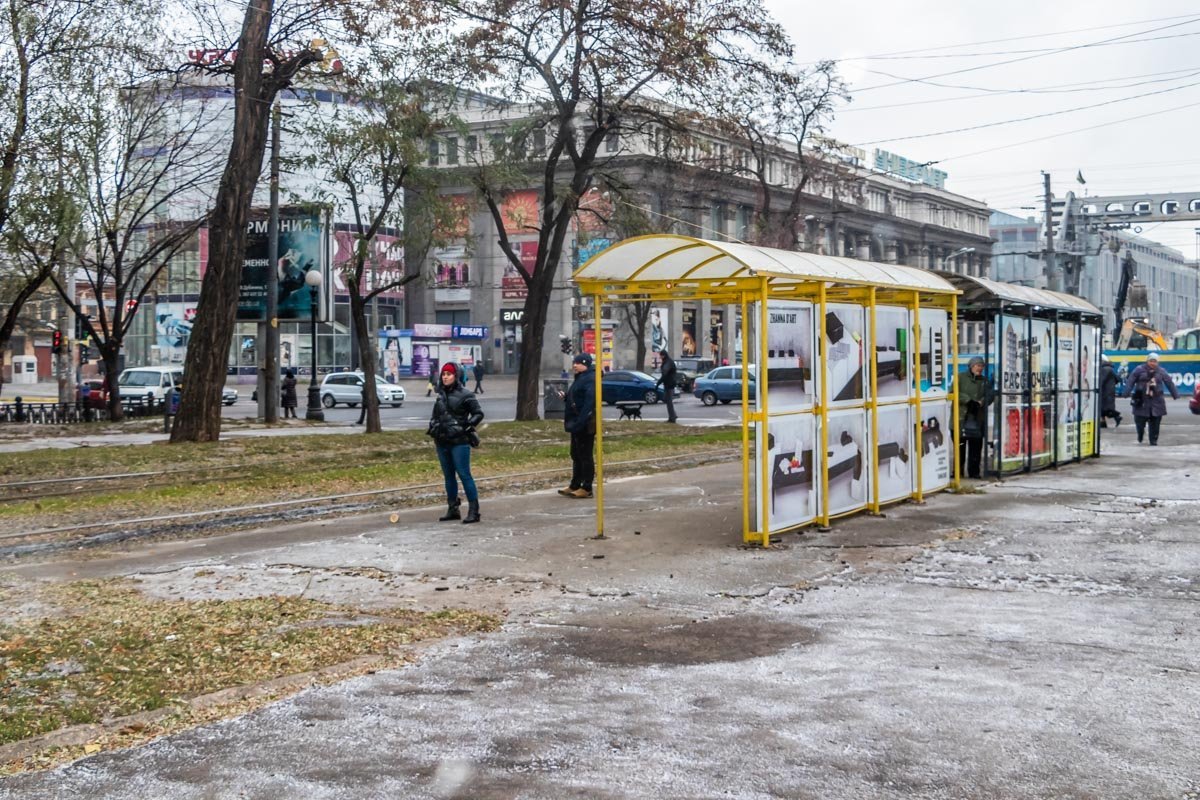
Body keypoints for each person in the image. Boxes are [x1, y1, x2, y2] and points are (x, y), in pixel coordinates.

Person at [428, 362, 484, 523]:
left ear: (456, 376)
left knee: (464, 474)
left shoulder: (466, 395)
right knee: (448, 477)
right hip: (442, 440)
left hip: (459, 442)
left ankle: (474, 511)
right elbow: (435, 415)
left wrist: (467, 426)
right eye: (443, 374)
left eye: (449, 374)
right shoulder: (440, 394)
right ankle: (453, 508)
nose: (445, 377)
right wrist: (433, 425)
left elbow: (478, 413)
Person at [558, 353, 596, 499]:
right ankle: (575, 484)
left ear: (585, 364)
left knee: (585, 456)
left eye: (577, 362)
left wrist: (581, 421)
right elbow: (579, 398)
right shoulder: (581, 377)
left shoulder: (590, 378)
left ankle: (586, 488)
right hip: (576, 423)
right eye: (574, 362)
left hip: (584, 425)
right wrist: (567, 397)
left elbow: (589, 403)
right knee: (576, 455)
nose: (574, 365)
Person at [1123, 352, 1179, 445]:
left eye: (1155, 361)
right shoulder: (1139, 369)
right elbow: (1130, 381)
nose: (1153, 363)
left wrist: (1175, 394)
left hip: (1157, 401)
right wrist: (1126, 392)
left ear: (1158, 362)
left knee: (1155, 423)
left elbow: (1169, 382)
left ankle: (1153, 441)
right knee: (1139, 422)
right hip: (1141, 400)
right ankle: (1140, 434)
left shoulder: (1161, 371)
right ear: (1147, 361)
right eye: (1151, 361)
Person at [955, 356, 994, 479]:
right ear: (971, 366)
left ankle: (974, 472)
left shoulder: (985, 380)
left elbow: (990, 395)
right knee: (960, 447)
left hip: (978, 419)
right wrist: (969, 401)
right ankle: (957, 472)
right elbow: (953, 392)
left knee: (976, 447)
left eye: (982, 366)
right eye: (978, 365)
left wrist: (982, 402)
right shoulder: (960, 377)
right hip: (961, 418)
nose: (980, 368)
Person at [655, 350, 678, 423]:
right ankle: (673, 415)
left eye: (660, 355)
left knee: (669, 401)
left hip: (669, 384)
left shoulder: (668, 362)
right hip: (669, 383)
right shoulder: (668, 361)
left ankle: (672, 418)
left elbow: (665, 373)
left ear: (663, 355)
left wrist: (658, 383)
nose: (660, 357)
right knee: (667, 400)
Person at [1099, 357, 1121, 428]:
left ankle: (1116, 418)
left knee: (1104, 408)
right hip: (1109, 391)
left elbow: (1101, 381)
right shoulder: (1109, 369)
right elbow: (1118, 378)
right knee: (1105, 408)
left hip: (1105, 391)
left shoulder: (1105, 369)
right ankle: (1104, 422)